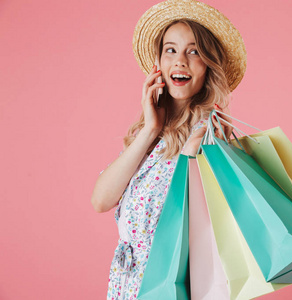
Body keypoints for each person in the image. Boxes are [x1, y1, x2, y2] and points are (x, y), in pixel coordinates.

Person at [90, 0, 247, 299]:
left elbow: (216, 231)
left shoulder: (210, 134)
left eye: (194, 51)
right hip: (127, 285)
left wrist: (196, 156)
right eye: (170, 50)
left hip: (170, 286)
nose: (180, 61)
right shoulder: (149, 131)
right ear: (158, 64)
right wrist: (149, 129)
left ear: (208, 65)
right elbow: (101, 200)